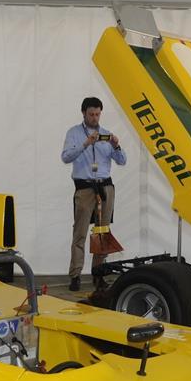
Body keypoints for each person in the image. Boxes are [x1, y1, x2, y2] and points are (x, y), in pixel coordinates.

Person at [61, 96, 126, 292]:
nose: (94, 118)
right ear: (83, 113)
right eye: (91, 114)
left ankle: (98, 275)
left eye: (98, 114)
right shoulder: (74, 133)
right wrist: (85, 144)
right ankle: (75, 275)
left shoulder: (106, 134)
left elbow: (122, 160)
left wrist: (116, 145)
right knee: (80, 232)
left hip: (105, 188)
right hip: (84, 187)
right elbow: (65, 157)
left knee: (102, 234)